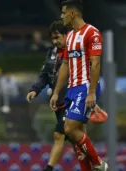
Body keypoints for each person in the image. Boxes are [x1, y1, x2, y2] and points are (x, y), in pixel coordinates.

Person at [50, 0, 108, 170]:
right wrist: (56, 92)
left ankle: (99, 164)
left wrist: (91, 93)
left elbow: (96, 64)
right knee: (78, 135)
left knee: (69, 129)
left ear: (72, 13)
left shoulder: (92, 33)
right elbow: (66, 65)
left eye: (63, 13)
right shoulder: (70, 37)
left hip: (85, 87)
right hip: (72, 89)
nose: (61, 17)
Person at [27, 20, 87, 171]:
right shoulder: (51, 52)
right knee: (76, 138)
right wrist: (35, 89)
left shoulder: (75, 51)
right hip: (58, 101)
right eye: (53, 38)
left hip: (73, 99)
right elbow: (44, 75)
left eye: (58, 37)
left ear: (67, 35)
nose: (55, 41)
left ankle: (49, 168)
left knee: (59, 135)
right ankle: (92, 165)